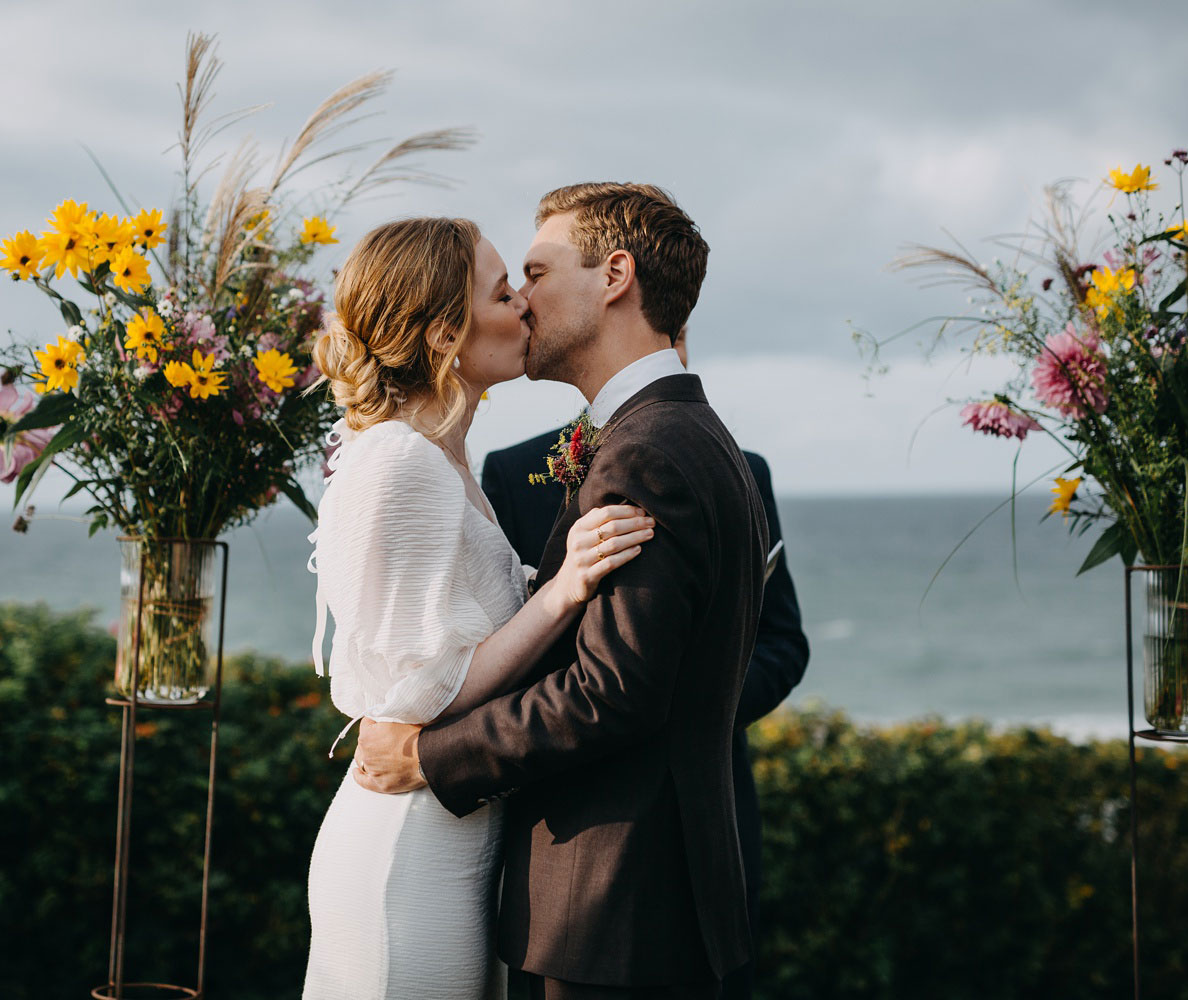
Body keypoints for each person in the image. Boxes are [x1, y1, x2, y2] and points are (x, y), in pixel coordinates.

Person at [356, 183, 769, 998]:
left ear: (615, 275)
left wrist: (427, 756)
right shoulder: (679, 433)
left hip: (611, 911)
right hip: (639, 907)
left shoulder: (648, 451)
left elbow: (609, 694)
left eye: (537, 273)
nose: (522, 301)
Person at [301, 217, 658, 1000]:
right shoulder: (401, 464)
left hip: (454, 836)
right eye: (503, 292)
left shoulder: (440, 459)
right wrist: (563, 593)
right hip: (408, 854)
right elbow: (418, 700)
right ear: (444, 335)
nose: (526, 306)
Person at [479, 324, 809, 1000]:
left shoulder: (745, 470)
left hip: (707, 821)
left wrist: (696, 701)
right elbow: (508, 651)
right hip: (574, 843)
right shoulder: (513, 472)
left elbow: (783, 641)